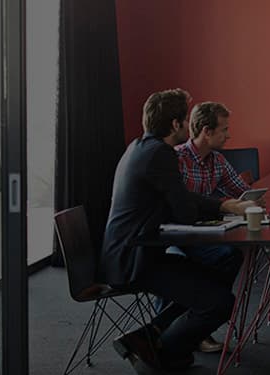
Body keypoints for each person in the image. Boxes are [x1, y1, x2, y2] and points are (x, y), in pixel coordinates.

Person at [101, 89, 255, 373]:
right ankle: (160, 353)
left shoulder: (139, 147)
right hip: (136, 261)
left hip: (134, 252)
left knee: (218, 272)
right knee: (219, 302)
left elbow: (182, 199)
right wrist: (224, 207)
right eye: (186, 120)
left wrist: (224, 206)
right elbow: (184, 209)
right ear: (175, 124)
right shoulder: (162, 154)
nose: (189, 125)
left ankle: (148, 335)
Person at [153, 101, 248, 353]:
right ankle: (189, 325)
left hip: (203, 233)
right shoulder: (176, 158)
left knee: (230, 256)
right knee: (218, 260)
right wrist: (224, 205)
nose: (228, 135)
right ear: (206, 131)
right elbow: (177, 205)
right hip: (175, 235)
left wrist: (253, 201)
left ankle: (199, 324)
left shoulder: (217, 160)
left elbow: (242, 190)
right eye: (224, 130)